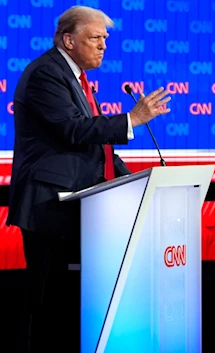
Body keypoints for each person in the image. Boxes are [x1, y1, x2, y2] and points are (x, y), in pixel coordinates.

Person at [6, 6, 171, 352]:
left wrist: (142, 181)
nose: (103, 46)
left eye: (105, 39)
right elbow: (72, 130)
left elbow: (94, 146)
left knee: (65, 307)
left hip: (71, 209)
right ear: (69, 40)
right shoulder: (45, 75)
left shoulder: (75, 78)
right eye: (95, 38)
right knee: (44, 304)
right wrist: (132, 119)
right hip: (49, 208)